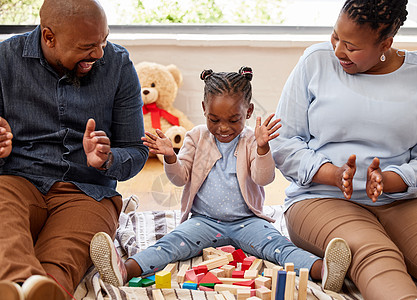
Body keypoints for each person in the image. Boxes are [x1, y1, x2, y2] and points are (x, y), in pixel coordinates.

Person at [90, 67, 351, 292]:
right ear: (204, 109)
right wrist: (171, 156)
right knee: (169, 244)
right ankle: (125, 269)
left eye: (233, 120)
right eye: (214, 119)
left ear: (248, 112)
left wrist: (262, 149)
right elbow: (181, 179)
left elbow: (264, 178)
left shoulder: (250, 140)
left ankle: (322, 270)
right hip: (203, 221)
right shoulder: (195, 137)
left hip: (246, 222)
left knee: (279, 247)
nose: (223, 128)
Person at [0, 0, 148, 299]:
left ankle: (43, 290)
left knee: (65, 254)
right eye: (87, 46)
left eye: (103, 41)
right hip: (16, 181)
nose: (99, 53)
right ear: (49, 36)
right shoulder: (4, 59)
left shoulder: (118, 65)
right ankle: (20, 286)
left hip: (87, 191)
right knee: (4, 223)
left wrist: (107, 159)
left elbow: (135, 149)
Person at [270, 0, 417, 299]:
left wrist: (392, 180)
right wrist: (333, 174)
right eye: (336, 36)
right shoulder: (315, 62)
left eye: (351, 46)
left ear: (385, 43)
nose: (338, 51)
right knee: (375, 254)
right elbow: (283, 142)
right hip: (320, 198)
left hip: (400, 200)